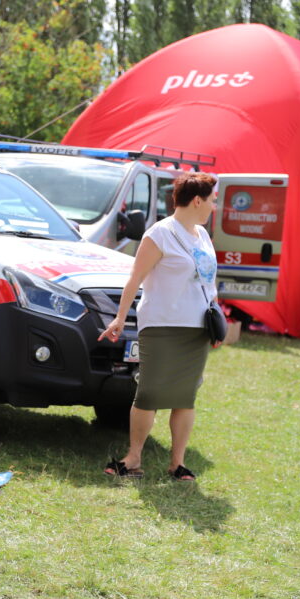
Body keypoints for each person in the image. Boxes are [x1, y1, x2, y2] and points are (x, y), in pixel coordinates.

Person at [98, 172, 221, 481]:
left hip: (197, 328)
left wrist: (216, 316)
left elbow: (208, 280)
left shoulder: (202, 235)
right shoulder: (160, 234)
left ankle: (176, 464)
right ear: (197, 200)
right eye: (212, 201)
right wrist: (120, 317)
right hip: (162, 326)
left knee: (185, 396)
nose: (213, 207)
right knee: (149, 394)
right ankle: (133, 458)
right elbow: (134, 279)